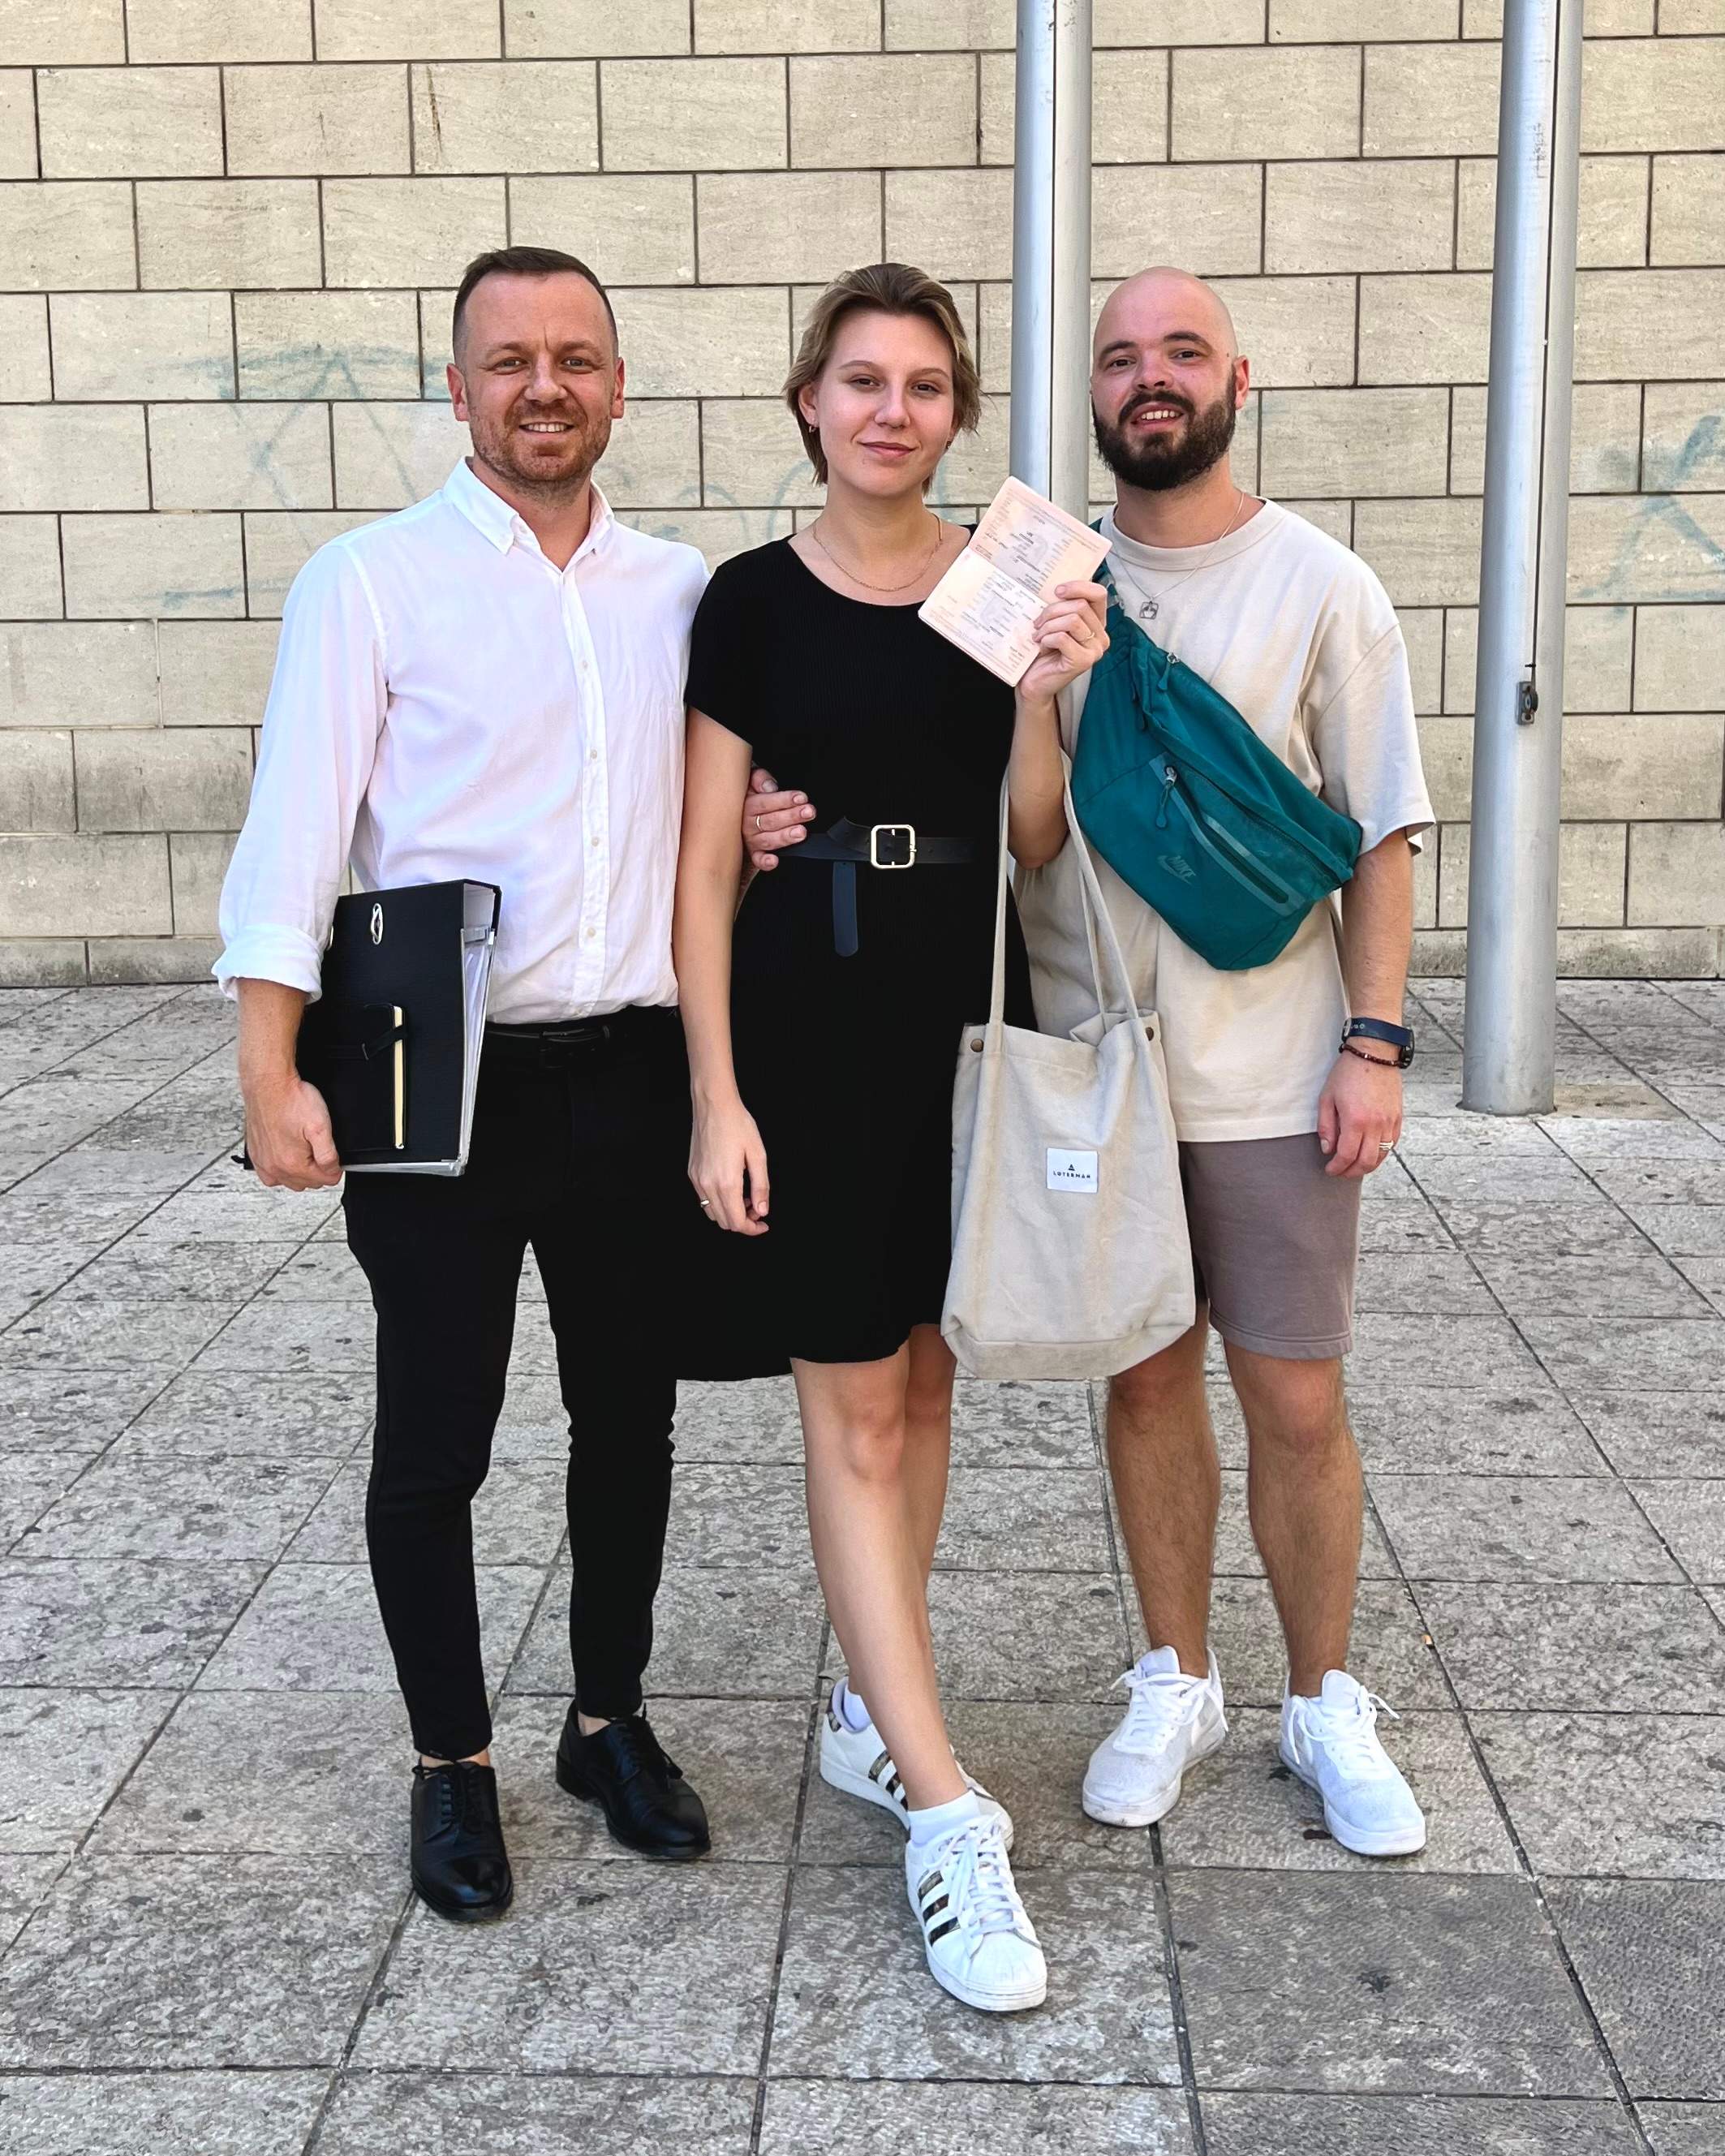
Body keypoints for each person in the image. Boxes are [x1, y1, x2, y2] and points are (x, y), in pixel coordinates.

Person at [747, 265, 1436, 1861]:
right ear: (1093, 395)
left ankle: (1323, 1700)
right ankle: (1175, 1676)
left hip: (1273, 1068)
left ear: (1238, 382)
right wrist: (779, 813)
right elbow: (997, 811)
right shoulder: (1031, 577)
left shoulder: (1323, 585)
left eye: (1182, 352)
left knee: (1294, 1392)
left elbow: (1383, 831)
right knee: (1142, 1377)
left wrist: (1376, 1041)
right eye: (1122, 358)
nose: (1150, 379)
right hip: (1089, 1058)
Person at [216, 246, 714, 1923]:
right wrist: (269, 1069)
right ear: (458, 389)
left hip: (632, 1071)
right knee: (438, 1439)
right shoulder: (369, 583)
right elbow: (295, 834)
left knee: (628, 1420)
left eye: (576, 357)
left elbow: (712, 811)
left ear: (618, 386)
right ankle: (452, 1761)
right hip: (435, 1080)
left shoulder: (679, 592)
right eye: (510, 360)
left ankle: (605, 1721)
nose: (544, 387)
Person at [673, 262, 1108, 2012]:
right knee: (852, 1409)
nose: (891, 410)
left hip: (963, 1025)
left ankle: (871, 1703)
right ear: (809, 400)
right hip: (807, 1032)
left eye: (924, 385)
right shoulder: (749, 601)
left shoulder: (1002, 582)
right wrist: (715, 1094)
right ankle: (944, 1811)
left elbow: (1029, 839)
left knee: (925, 1386)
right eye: (860, 379)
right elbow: (700, 865)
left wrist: (1046, 688)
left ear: (955, 414)